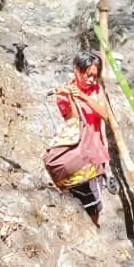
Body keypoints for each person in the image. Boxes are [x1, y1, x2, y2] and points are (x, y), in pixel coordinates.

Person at [51, 52, 111, 227]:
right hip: (77, 151)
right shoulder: (63, 93)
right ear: (76, 70)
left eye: (95, 75)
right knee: (76, 193)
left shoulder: (96, 90)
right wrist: (71, 97)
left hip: (95, 150)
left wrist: (83, 96)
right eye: (88, 74)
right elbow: (72, 122)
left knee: (95, 201)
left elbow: (104, 114)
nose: (92, 80)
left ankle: (93, 227)